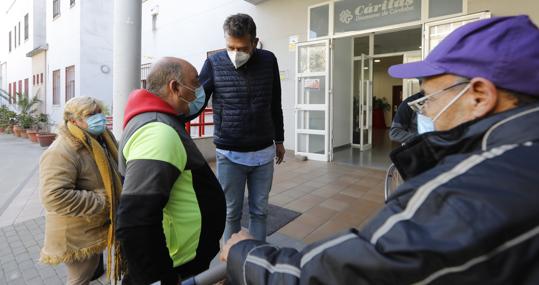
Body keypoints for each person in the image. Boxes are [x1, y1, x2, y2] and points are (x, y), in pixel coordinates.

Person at [220, 15, 539, 284]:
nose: (426, 112)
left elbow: (356, 270)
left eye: (431, 99)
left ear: (480, 96)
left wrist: (246, 257)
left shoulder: (470, 190)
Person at [116, 57, 226, 285]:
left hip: (183, 255)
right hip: (178, 262)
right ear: (175, 87)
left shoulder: (156, 120)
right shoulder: (158, 133)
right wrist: (161, 279)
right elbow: (135, 221)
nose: (199, 91)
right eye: (195, 83)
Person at [196, 13, 285, 242]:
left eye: (243, 48)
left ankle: (257, 260)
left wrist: (280, 140)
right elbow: (197, 100)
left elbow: (275, 103)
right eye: (230, 47)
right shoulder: (214, 63)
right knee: (230, 213)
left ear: (254, 42)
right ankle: (230, 266)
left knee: (260, 211)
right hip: (229, 153)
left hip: (264, 153)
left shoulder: (269, 60)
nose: (236, 53)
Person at [39, 97, 122, 285]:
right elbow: (53, 196)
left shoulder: (100, 138)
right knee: (80, 278)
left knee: (90, 271)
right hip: (75, 234)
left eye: (99, 112)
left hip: (93, 225)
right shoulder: (61, 150)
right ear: (73, 121)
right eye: (90, 115)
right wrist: (104, 201)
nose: (99, 118)